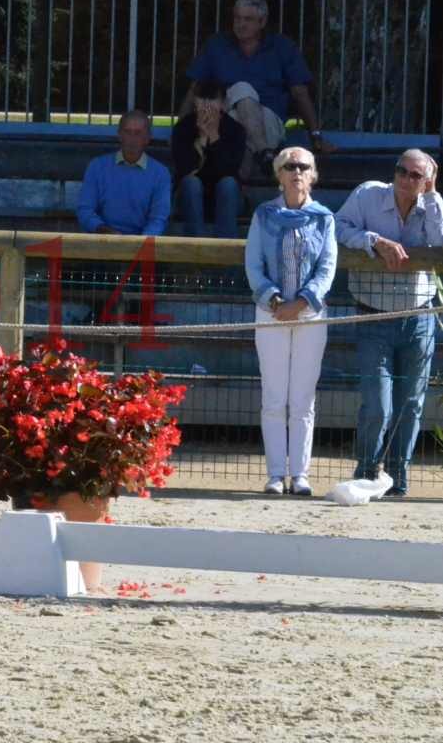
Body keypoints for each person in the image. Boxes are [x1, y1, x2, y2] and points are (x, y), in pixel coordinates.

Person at [334, 150, 443, 498]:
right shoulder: (367, 194)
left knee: (411, 403)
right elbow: (337, 227)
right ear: (393, 171)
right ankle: (367, 473)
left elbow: (440, 242)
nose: (406, 179)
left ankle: (398, 479)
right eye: (402, 171)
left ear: (426, 180)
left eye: (416, 175)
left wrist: (433, 196)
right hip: (373, 314)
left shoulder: (431, 204)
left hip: (420, 316)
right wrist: (374, 241)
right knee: (378, 405)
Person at [245, 147, 337, 496]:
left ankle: (300, 474)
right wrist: (275, 300)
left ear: (313, 175)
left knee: (302, 398)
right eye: (289, 166)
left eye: (303, 166)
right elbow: (254, 265)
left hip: (310, 315)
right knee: (273, 396)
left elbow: (327, 267)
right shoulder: (263, 215)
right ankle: (274, 474)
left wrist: (301, 302)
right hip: (270, 313)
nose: (296, 171)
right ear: (279, 174)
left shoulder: (324, 218)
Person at [184, 0, 324, 180]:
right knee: (242, 90)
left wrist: (315, 135)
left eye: (248, 19)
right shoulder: (217, 46)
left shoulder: (282, 48)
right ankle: (264, 153)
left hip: (269, 120)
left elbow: (300, 92)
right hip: (226, 116)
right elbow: (196, 88)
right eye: (237, 18)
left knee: (241, 127)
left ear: (262, 22)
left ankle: (236, 193)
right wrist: (180, 129)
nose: (240, 24)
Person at [171, 80, 247, 238]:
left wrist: (214, 137)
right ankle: (197, 249)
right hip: (191, 197)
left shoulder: (235, 130)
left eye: (212, 99)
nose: (207, 104)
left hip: (227, 198)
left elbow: (229, 170)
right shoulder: (183, 128)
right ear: (194, 102)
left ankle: (225, 252)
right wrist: (201, 140)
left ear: (223, 104)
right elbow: (185, 169)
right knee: (191, 183)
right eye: (202, 98)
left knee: (228, 184)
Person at [75, 110, 170, 236]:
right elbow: (85, 210)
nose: (132, 139)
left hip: (143, 244)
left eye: (138, 133)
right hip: (102, 240)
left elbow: (158, 219)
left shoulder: (160, 173)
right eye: (127, 132)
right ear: (119, 135)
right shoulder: (97, 167)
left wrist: (140, 244)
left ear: (147, 138)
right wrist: (105, 231)